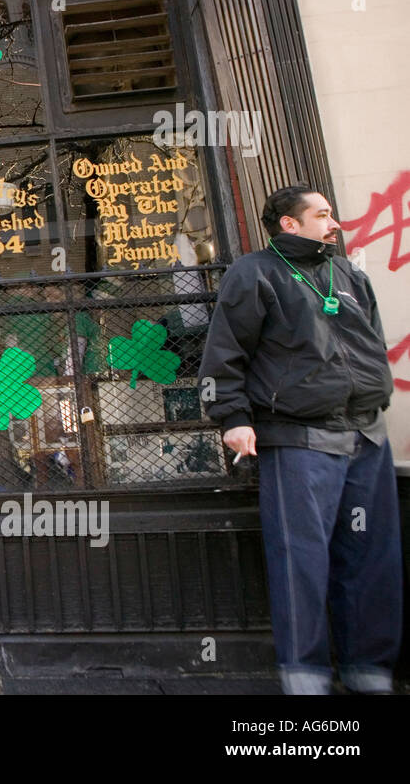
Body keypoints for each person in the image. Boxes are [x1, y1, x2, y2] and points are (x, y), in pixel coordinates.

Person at [198, 185, 401, 695]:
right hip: (298, 437)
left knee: (372, 557)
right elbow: (225, 354)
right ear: (290, 224)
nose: (334, 223)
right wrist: (233, 418)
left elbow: (371, 340)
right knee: (301, 560)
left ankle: (368, 669)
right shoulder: (254, 273)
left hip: (367, 434)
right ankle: (306, 675)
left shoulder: (347, 272)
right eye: (323, 215)